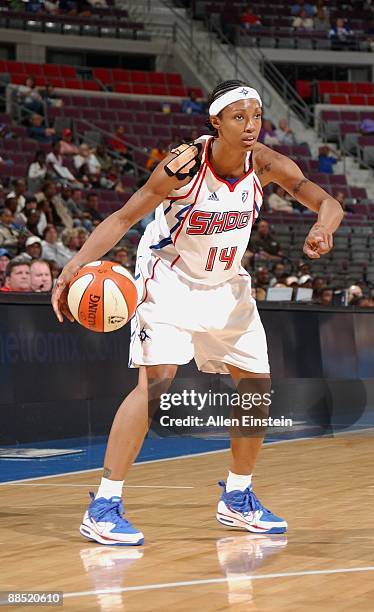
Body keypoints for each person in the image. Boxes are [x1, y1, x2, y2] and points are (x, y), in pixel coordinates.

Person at [52, 79, 343, 546]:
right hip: (170, 277)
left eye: (257, 116)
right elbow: (125, 217)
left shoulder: (265, 163)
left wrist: (322, 228)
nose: (251, 126)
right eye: (238, 117)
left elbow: (327, 202)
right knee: (155, 384)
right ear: (215, 121)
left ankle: (237, 498)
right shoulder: (182, 166)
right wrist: (75, 263)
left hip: (226, 284)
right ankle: (103, 506)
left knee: (256, 388)